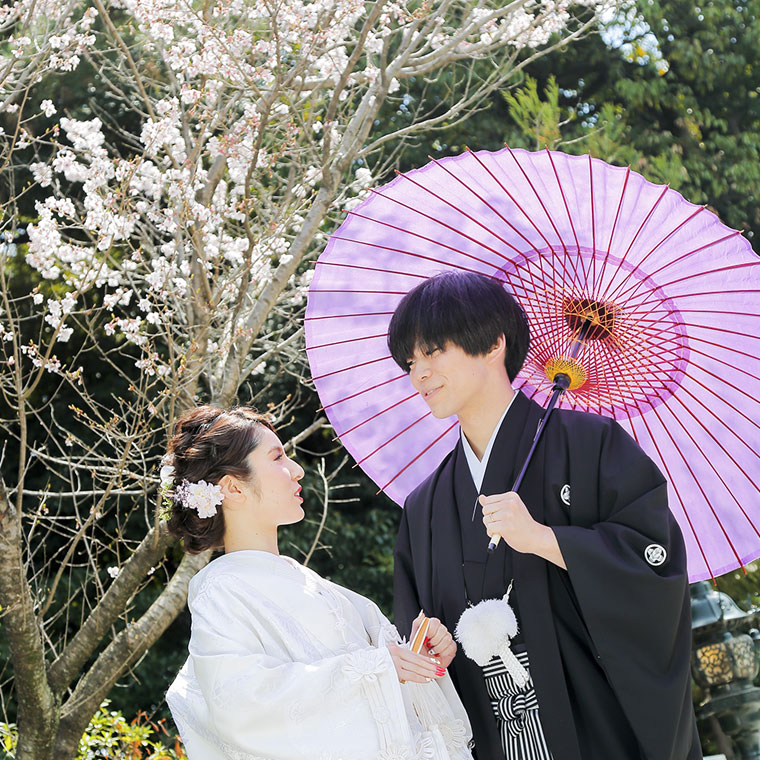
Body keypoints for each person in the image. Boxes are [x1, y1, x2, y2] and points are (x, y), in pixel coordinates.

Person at [388, 271, 700, 760]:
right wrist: (432, 646)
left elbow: (655, 564)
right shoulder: (424, 507)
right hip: (488, 737)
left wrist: (546, 540)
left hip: (590, 726)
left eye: (432, 351)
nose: (418, 374)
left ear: (493, 343)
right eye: (409, 361)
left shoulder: (591, 445)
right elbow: (417, 630)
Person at [164, 405, 474, 760]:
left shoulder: (306, 579)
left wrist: (415, 655)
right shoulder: (221, 588)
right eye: (277, 457)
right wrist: (379, 671)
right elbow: (241, 705)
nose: (296, 470)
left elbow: (379, 672)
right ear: (234, 489)